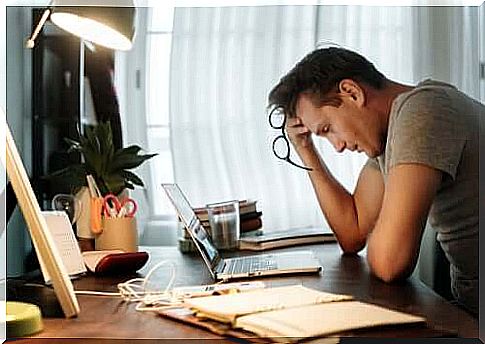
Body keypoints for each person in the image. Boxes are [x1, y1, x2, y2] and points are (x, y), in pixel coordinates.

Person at [267, 47, 482, 316]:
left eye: (327, 129)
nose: (338, 146)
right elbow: (353, 233)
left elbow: (391, 262)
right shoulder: (391, 136)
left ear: (352, 92)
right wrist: (304, 148)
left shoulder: (424, 111)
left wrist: (386, 233)